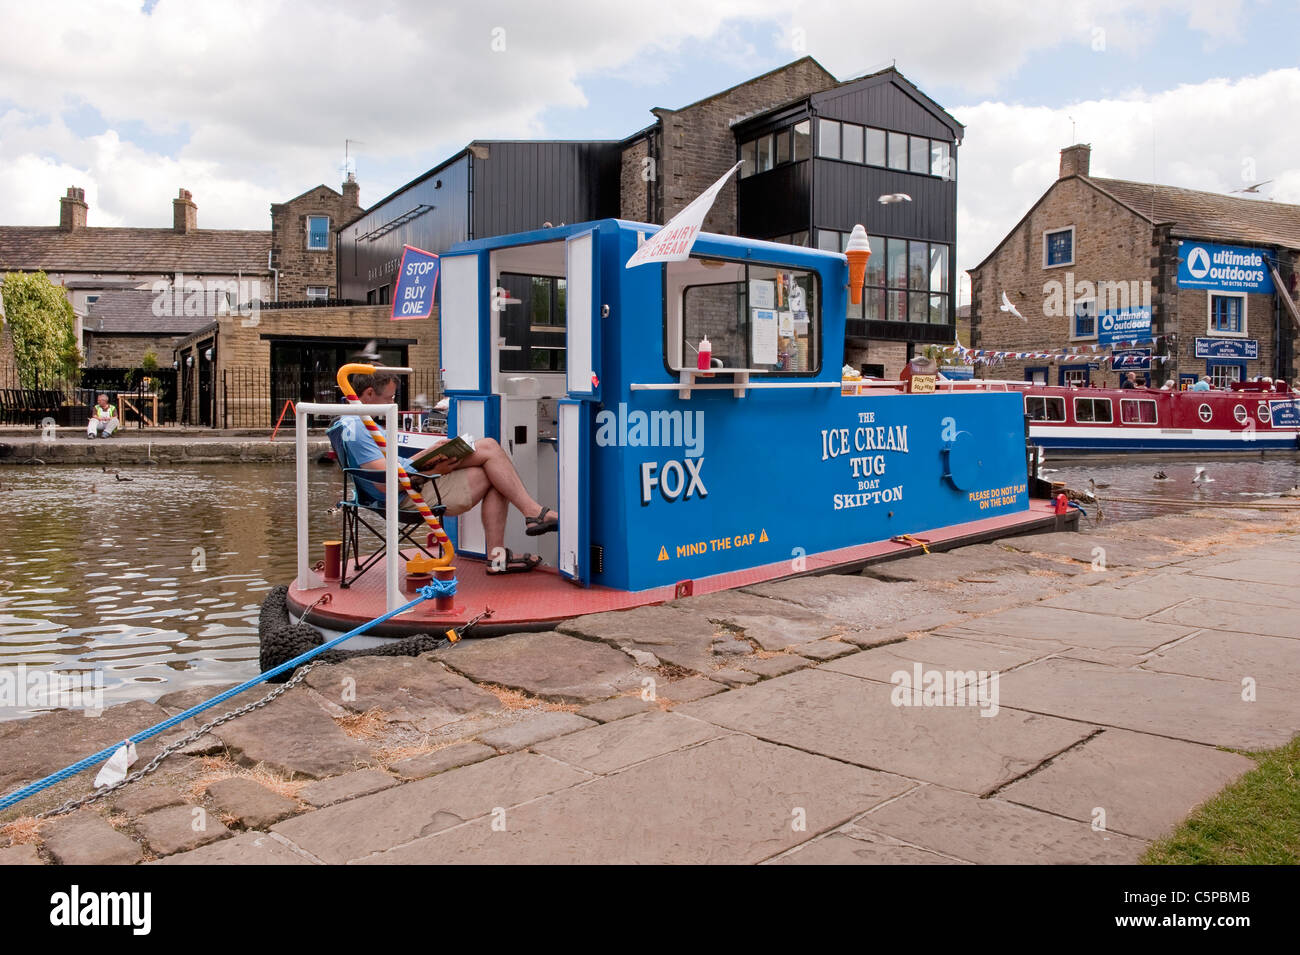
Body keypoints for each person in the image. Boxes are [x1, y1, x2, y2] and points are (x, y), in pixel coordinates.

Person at [337, 371, 558, 574]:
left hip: (408, 484)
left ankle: (514, 537)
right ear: (368, 394)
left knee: (491, 453)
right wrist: (431, 468)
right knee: (495, 467)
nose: (392, 403)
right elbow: (385, 483)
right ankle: (516, 533)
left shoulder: (350, 423)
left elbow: (389, 468)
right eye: (389, 398)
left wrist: (429, 453)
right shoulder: (359, 429)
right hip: (408, 495)